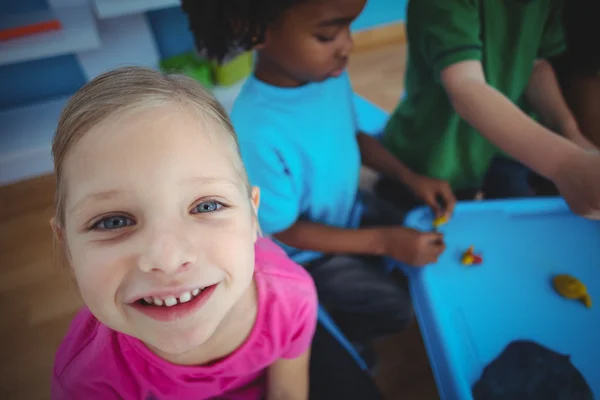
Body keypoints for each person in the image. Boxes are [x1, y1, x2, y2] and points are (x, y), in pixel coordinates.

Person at [49, 66, 381, 400]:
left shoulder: (290, 300)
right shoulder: (85, 380)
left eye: (206, 206)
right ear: (67, 247)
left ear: (254, 217)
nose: (167, 259)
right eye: (113, 222)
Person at [182, 0, 455, 363]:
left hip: (347, 211)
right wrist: (385, 242)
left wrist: (409, 177)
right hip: (307, 257)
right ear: (254, 30)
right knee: (397, 309)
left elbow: (352, 136)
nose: (348, 45)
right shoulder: (256, 132)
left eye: (348, 28)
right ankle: (339, 337)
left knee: (422, 238)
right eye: (327, 34)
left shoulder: (326, 75)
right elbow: (287, 231)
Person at [377, 0, 600, 219]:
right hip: (434, 157)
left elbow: (536, 64)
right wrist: (564, 164)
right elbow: (466, 86)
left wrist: (569, 131)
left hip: (497, 151)